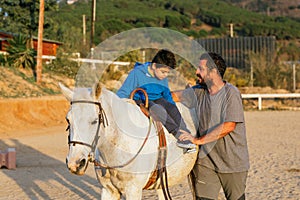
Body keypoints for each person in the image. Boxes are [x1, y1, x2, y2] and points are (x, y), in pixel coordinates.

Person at [179, 52, 250, 199]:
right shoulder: (198, 92)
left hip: (232, 163)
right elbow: (174, 96)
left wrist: (198, 140)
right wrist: (147, 95)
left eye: (201, 68)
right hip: (206, 164)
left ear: (213, 72)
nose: (196, 72)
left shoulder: (231, 93)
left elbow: (229, 125)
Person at [116, 49, 196, 151]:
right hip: (142, 100)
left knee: (172, 108)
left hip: (158, 98)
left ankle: (186, 134)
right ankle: (178, 134)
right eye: (163, 72)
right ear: (154, 66)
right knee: (158, 109)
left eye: (167, 72)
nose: (165, 75)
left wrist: (172, 107)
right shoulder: (137, 73)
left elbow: (167, 95)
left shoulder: (163, 78)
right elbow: (122, 93)